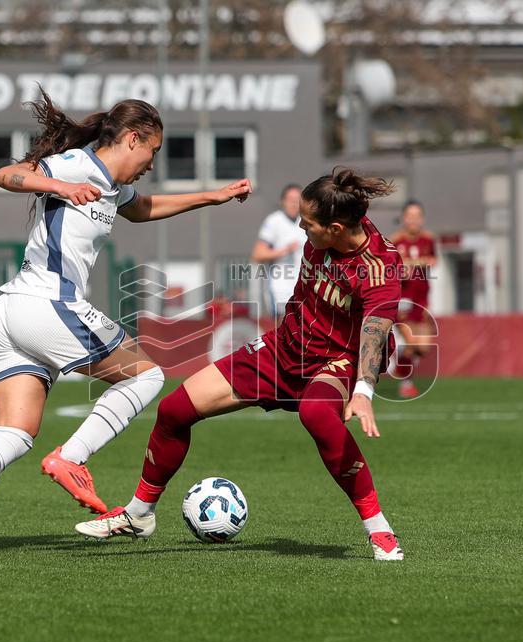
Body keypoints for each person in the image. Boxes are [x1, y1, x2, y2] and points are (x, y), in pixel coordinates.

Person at [0, 93, 252, 557]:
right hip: (46, 304)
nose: (152, 163)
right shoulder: (75, 165)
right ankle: (70, 458)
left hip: (15, 312)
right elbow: (6, 175)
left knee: (14, 433)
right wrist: (60, 187)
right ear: (133, 138)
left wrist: (212, 197)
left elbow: (145, 208)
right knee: (148, 375)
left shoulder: (114, 187)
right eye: (152, 150)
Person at [76, 168, 405, 562]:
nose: (301, 228)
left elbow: (376, 329)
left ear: (335, 228)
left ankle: (379, 530)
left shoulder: (379, 267)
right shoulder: (337, 222)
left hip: (337, 362)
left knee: (317, 416)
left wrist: (364, 390)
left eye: (308, 223)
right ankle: (138, 514)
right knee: (173, 410)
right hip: (285, 348)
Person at [390, 200, 436, 399]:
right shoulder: (395, 241)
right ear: (403, 218)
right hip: (403, 301)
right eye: (410, 216)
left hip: (422, 300)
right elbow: (390, 269)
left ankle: (400, 362)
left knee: (422, 348)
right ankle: (406, 383)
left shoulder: (428, 239)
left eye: (417, 216)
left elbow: (434, 260)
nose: (414, 220)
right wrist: (402, 270)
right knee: (410, 341)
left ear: (422, 219)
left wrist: (415, 264)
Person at [250, 184, 305, 318]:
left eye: (297, 200)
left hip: (304, 282)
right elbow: (257, 255)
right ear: (283, 201)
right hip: (280, 283)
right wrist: (284, 250)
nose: (293, 204)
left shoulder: (307, 221)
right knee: (284, 323)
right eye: (290, 199)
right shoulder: (274, 221)